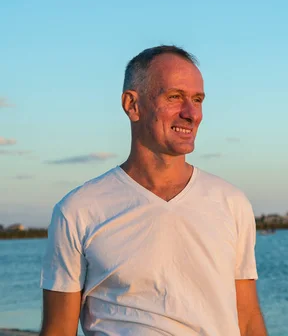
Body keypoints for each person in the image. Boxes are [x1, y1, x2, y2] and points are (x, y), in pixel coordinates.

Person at [39, 45, 268, 336]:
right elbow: (58, 329)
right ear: (132, 105)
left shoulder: (231, 202)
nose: (192, 114)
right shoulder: (78, 210)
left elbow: (247, 319)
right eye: (175, 97)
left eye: (197, 100)